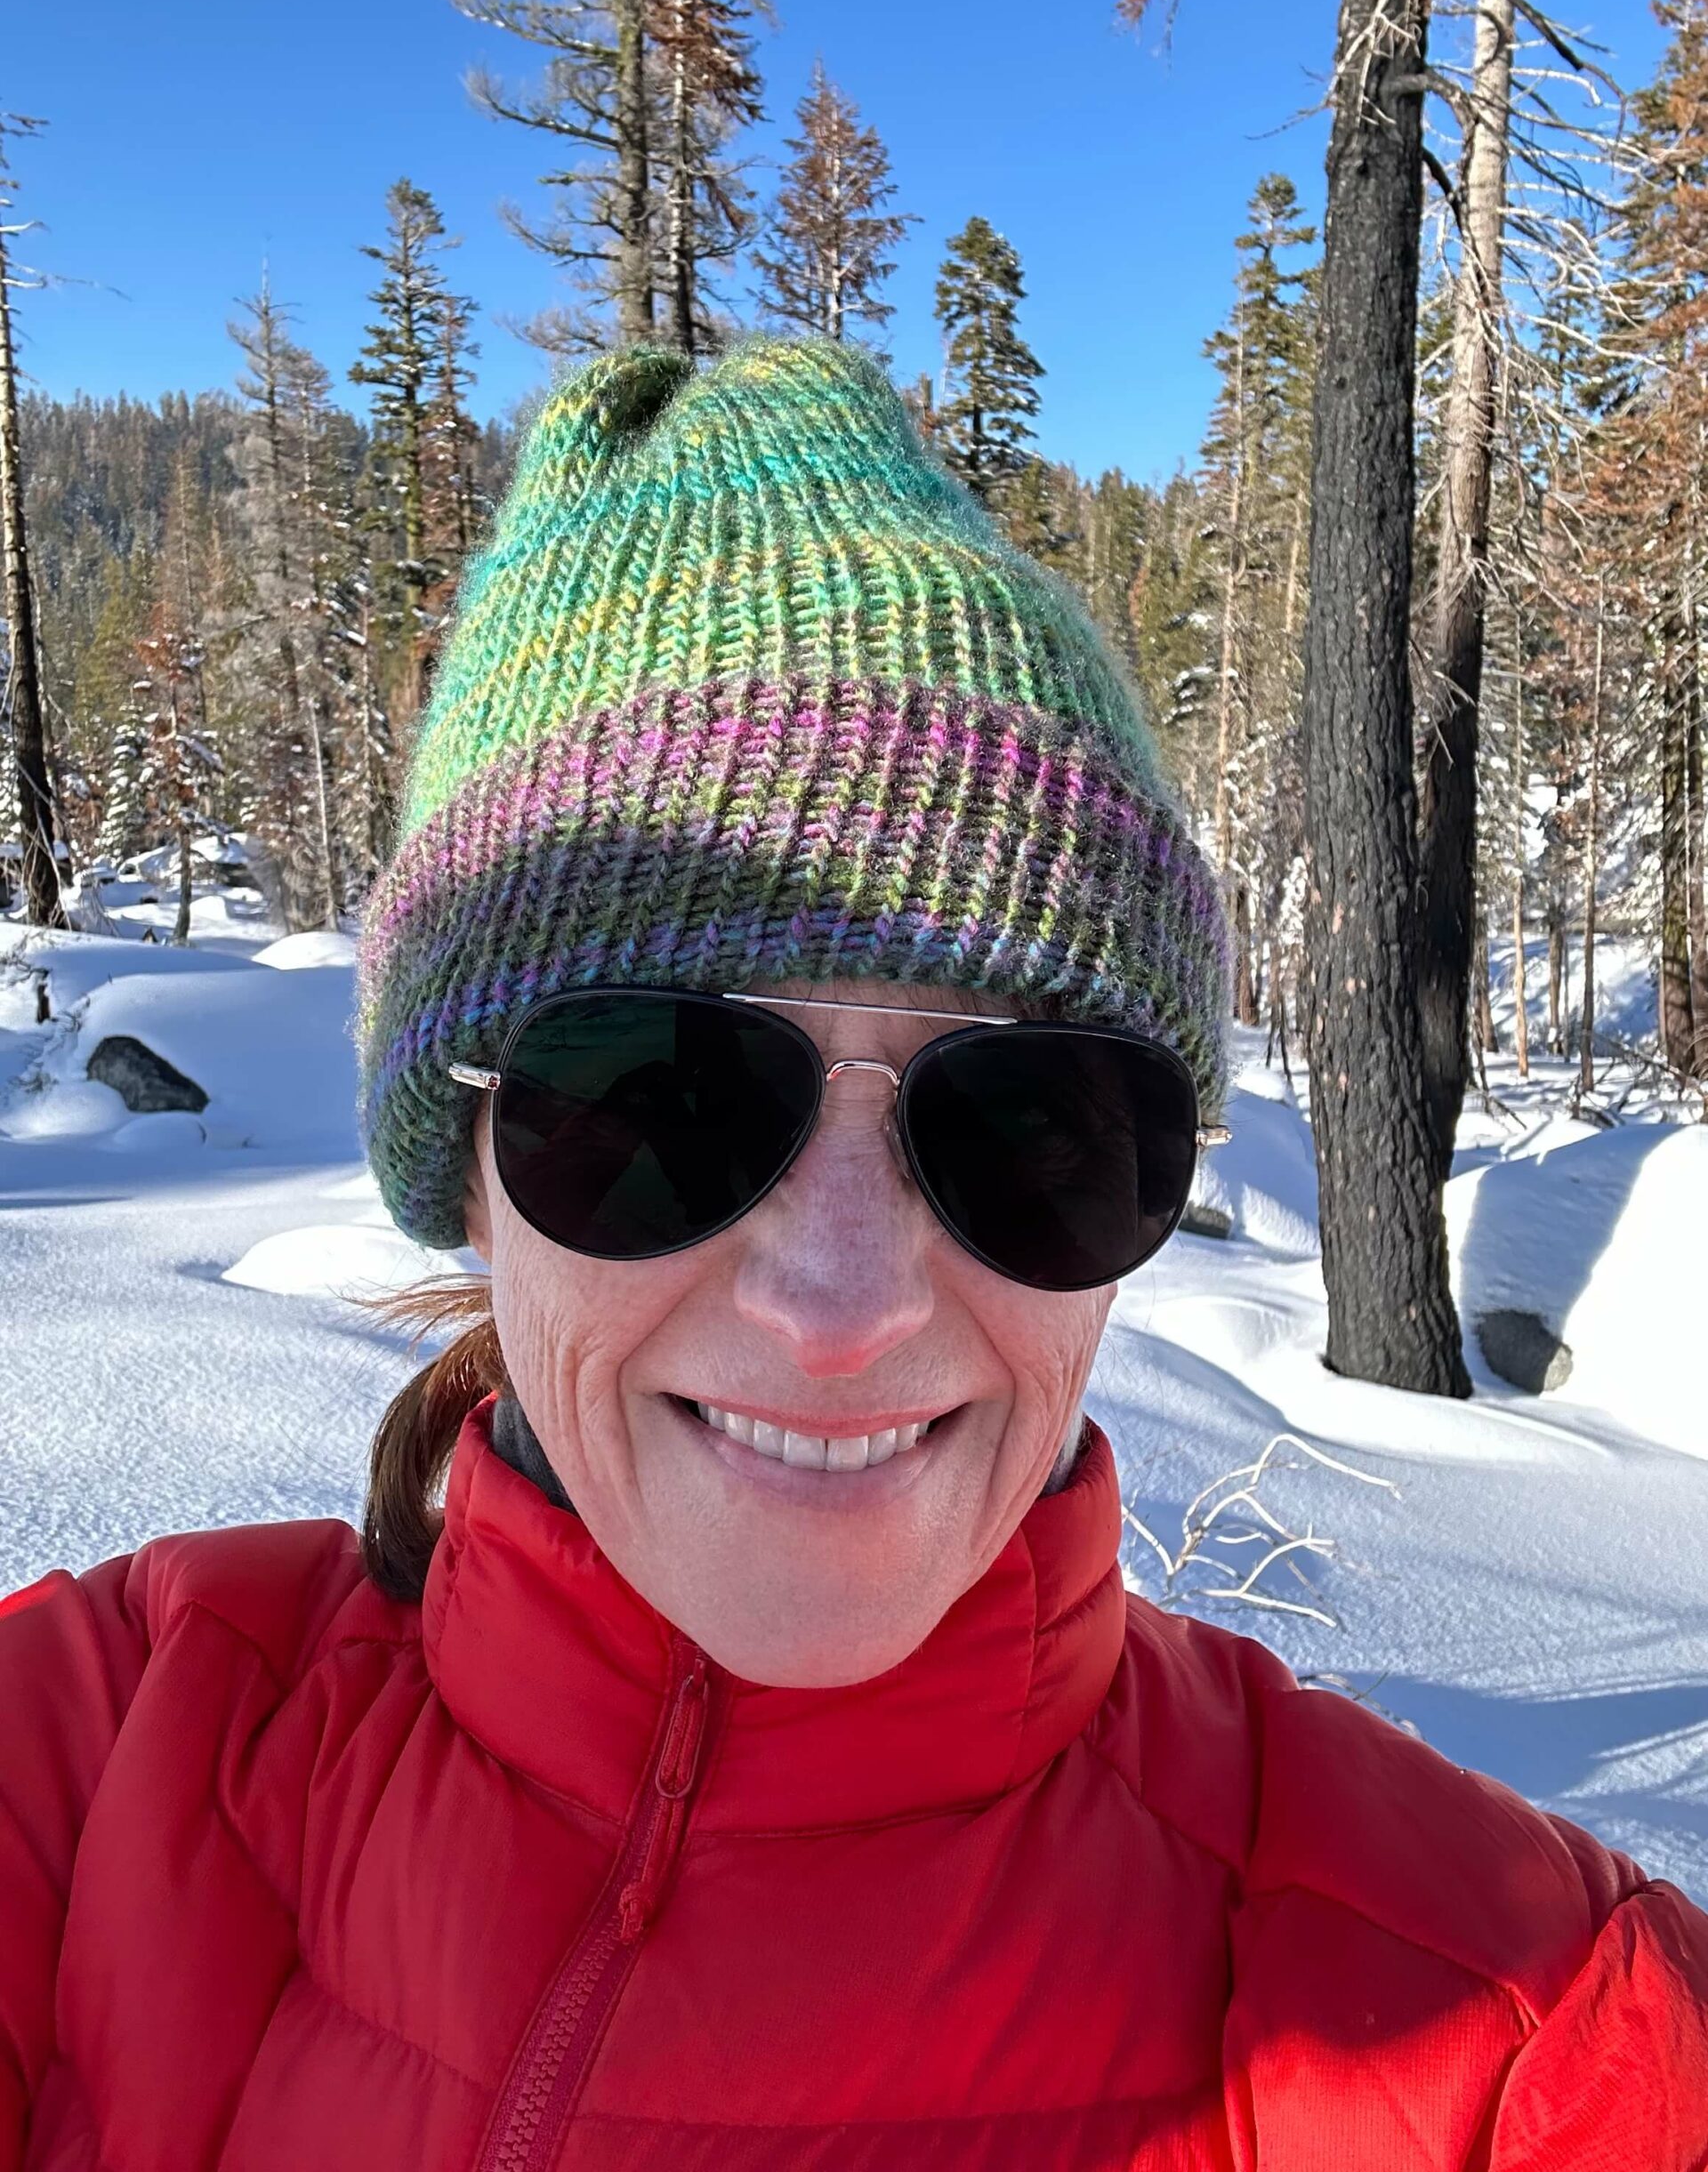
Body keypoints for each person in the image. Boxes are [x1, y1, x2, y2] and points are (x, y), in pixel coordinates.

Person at [3, 338, 1704, 2171]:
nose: (844, 1303)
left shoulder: (1528, 2028)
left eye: (1031, 1119)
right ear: (468, 1176)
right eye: (658, 1097)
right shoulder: (86, 1773)